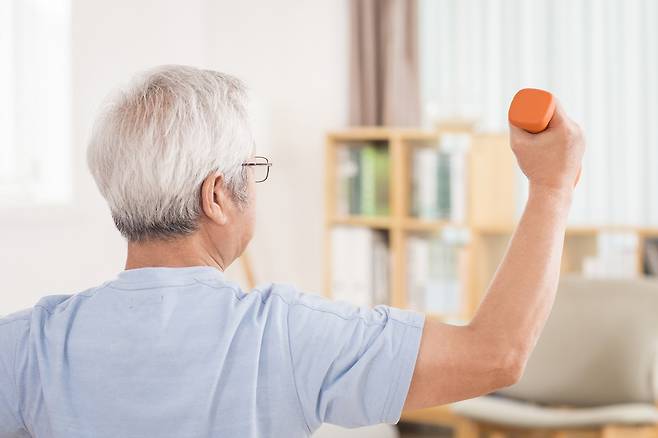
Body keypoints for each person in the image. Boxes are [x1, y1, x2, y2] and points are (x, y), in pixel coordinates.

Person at [0, 65, 584, 438]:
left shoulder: (28, 345)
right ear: (216, 197)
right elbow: (495, 354)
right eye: (252, 170)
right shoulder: (285, 333)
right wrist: (552, 187)